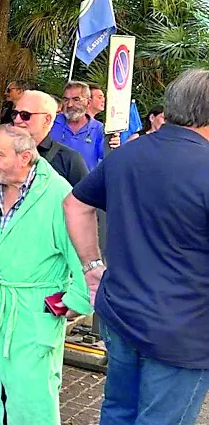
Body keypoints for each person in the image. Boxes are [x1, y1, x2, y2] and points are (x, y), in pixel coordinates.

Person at [64, 70, 209, 425]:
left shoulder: (128, 153)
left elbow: (75, 204)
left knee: (117, 413)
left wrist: (91, 266)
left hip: (122, 311)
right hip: (183, 331)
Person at [0, 125, 92, 425]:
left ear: (25, 156)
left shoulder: (58, 193)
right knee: (1, 391)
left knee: (34, 397)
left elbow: (81, 252)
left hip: (35, 309)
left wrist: (73, 301)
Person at [50, 81, 119, 171]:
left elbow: (109, 161)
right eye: (66, 100)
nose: (70, 105)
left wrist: (114, 145)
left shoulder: (99, 129)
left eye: (76, 99)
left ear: (88, 102)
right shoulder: (50, 123)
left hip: (83, 184)